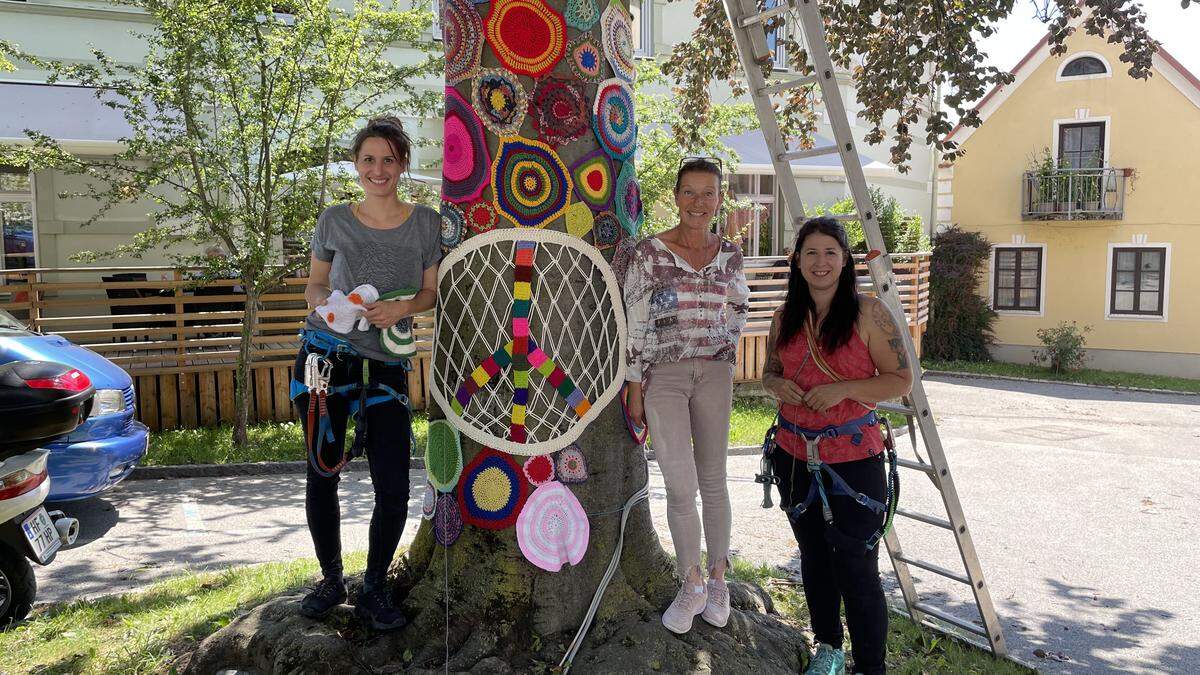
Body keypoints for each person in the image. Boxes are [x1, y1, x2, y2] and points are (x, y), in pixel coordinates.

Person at [294, 116, 440, 630]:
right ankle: (331, 579)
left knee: (394, 484)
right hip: (325, 360)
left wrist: (401, 310)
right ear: (356, 165)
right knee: (322, 472)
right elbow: (312, 285)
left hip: (387, 368)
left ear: (402, 164)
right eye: (368, 159)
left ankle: (375, 586)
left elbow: (430, 291)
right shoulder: (334, 219)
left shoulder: (426, 223)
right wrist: (331, 304)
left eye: (389, 159)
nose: (378, 169)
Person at [761, 216, 914, 675]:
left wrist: (845, 388)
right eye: (811, 253)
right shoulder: (785, 316)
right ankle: (827, 647)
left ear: (845, 260)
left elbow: (903, 378)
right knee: (813, 558)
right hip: (793, 457)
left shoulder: (869, 313)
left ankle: (870, 667)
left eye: (830, 252)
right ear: (797, 262)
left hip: (854, 460)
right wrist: (777, 385)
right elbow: (770, 370)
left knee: (858, 568)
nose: (820, 262)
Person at [623, 157, 750, 634]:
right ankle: (690, 581)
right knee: (681, 483)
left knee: (714, 479)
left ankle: (718, 579)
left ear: (720, 198)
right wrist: (635, 386)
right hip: (664, 377)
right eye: (690, 192)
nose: (699, 202)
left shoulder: (731, 255)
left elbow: (739, 311)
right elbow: (635, 324)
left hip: (715, 375)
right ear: (676, 197)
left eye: (709, 193)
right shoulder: (649, 254)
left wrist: (721, 359)